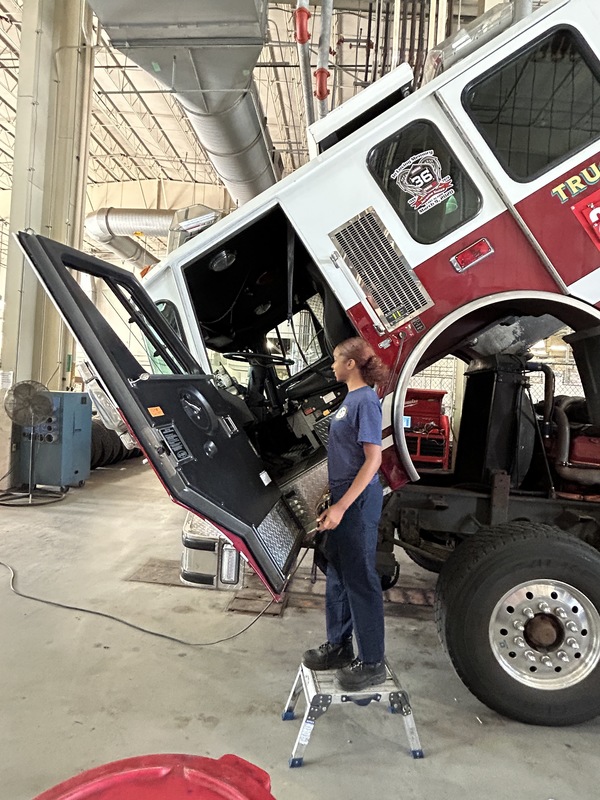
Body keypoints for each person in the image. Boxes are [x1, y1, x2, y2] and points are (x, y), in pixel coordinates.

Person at [303, 337, 389, 691]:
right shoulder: (349, 400)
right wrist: (331, 497)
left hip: (358, 500)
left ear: (351, 364)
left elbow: (374, 459)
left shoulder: (366, 400)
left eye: (337, 359)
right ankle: (339, 645)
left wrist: (342, 506)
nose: (333, 366)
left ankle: (372, 661)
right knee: (338, 572)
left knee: (360, 578)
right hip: (342, 495)